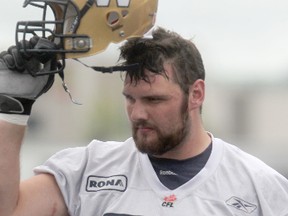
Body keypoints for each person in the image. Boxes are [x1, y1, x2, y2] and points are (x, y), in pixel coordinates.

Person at [0, 27, 288, 216]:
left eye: (154, 100)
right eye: (130, 98)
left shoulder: (260, 188)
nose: (137, 113)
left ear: (196, 94)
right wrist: (11, 110)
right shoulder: (88, 169)